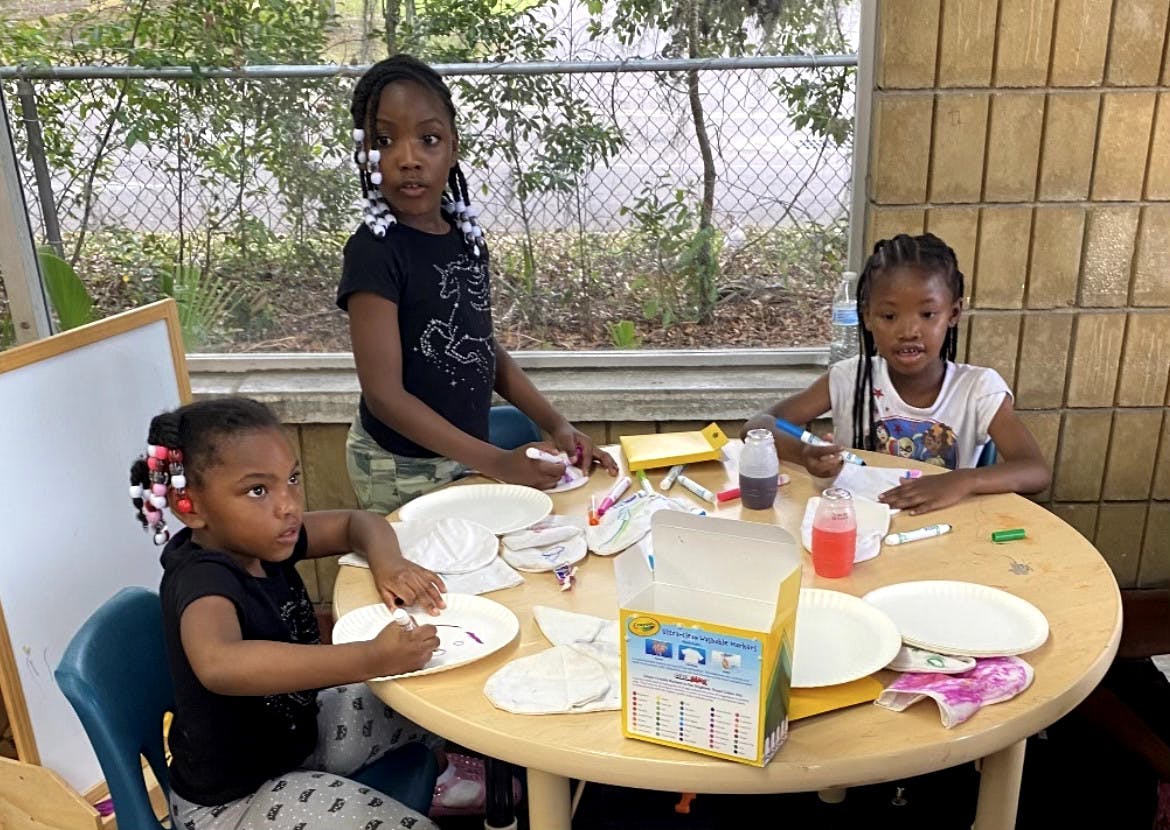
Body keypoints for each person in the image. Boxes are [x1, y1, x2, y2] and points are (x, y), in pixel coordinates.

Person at [129, 397, 490, 828]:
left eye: (292, 478)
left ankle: (445, 782)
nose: (289, 505)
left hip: (300, 739)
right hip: (235, 803)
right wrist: (369, 658)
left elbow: (358, 523)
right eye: (258, 490)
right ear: (189, 505)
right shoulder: (203, 578)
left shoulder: (265, 540)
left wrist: (389, 563)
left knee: (435, 698)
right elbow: (219, 664)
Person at [337, 53, 616, 515]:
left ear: (453, 147)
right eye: (386, 140)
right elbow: (384, 397)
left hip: (466, 452)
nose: (408, 159)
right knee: (431, 573)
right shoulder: (374, 251)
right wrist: (498, 463)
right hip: (401, 466)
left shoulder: (461, 234)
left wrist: (557, 425)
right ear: (366, 150)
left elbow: (483, 348)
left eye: (428, 139)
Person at [743, 232, 1050, 515]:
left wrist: (961, 481)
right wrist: (804, 454)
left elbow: (1035, 470)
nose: (908, 331)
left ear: (953, 314)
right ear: (867, 317)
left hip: (946, 536)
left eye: (928, 314)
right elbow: (757, 426)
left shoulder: (977, 390)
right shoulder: (850, 380)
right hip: (858, 528)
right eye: (889, 316)